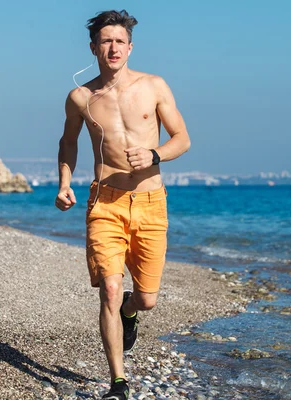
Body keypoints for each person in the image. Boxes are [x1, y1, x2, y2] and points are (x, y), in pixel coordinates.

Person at [55, 10, 191, 400]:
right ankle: (118, 383)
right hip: (105, 203)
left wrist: (155, 154)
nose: (112, 48)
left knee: (145, 299)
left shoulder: (154, 86)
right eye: (105, 41)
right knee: (110, 290)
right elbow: (68, 142)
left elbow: (182, 138)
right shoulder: (81, 97)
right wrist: (65, 183)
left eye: (119, 41)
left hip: (150, 202)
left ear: (130, 47)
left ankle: (132, 312)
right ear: (94, 47)